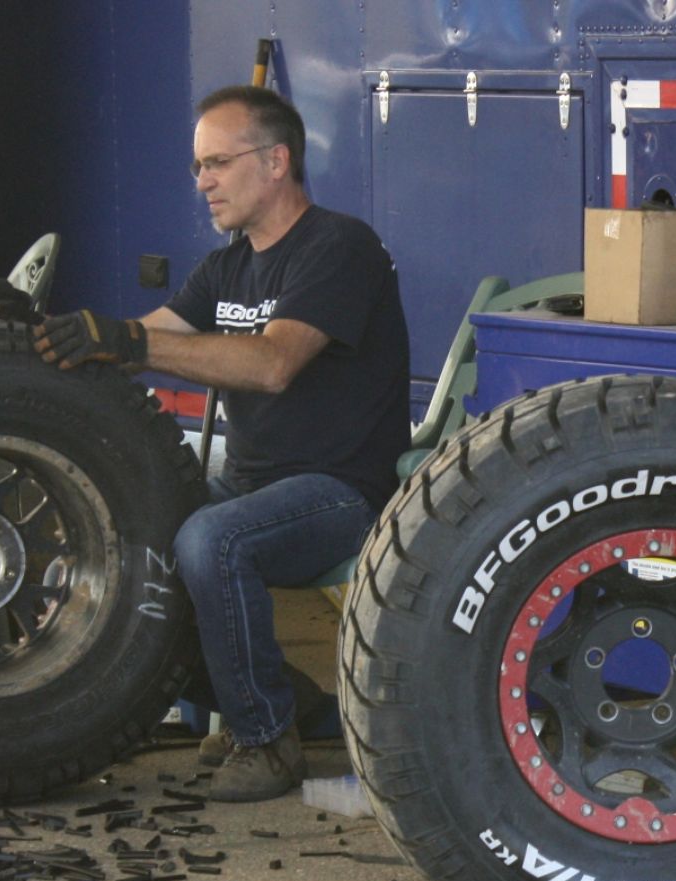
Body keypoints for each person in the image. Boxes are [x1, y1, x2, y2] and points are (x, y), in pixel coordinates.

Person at [33, 85, 410, 803]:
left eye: (216, 163)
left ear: (276, 161)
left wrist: (129, 342)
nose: (202, 181)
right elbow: (140, 338)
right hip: (252, 483)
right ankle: (280, 701)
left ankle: (267, 740)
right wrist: (43, 340)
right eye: (196, 167)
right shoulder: (226, 267)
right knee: (127, 533)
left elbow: (272, 365)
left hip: (343, 491)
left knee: (212, 541)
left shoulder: (339, 247)